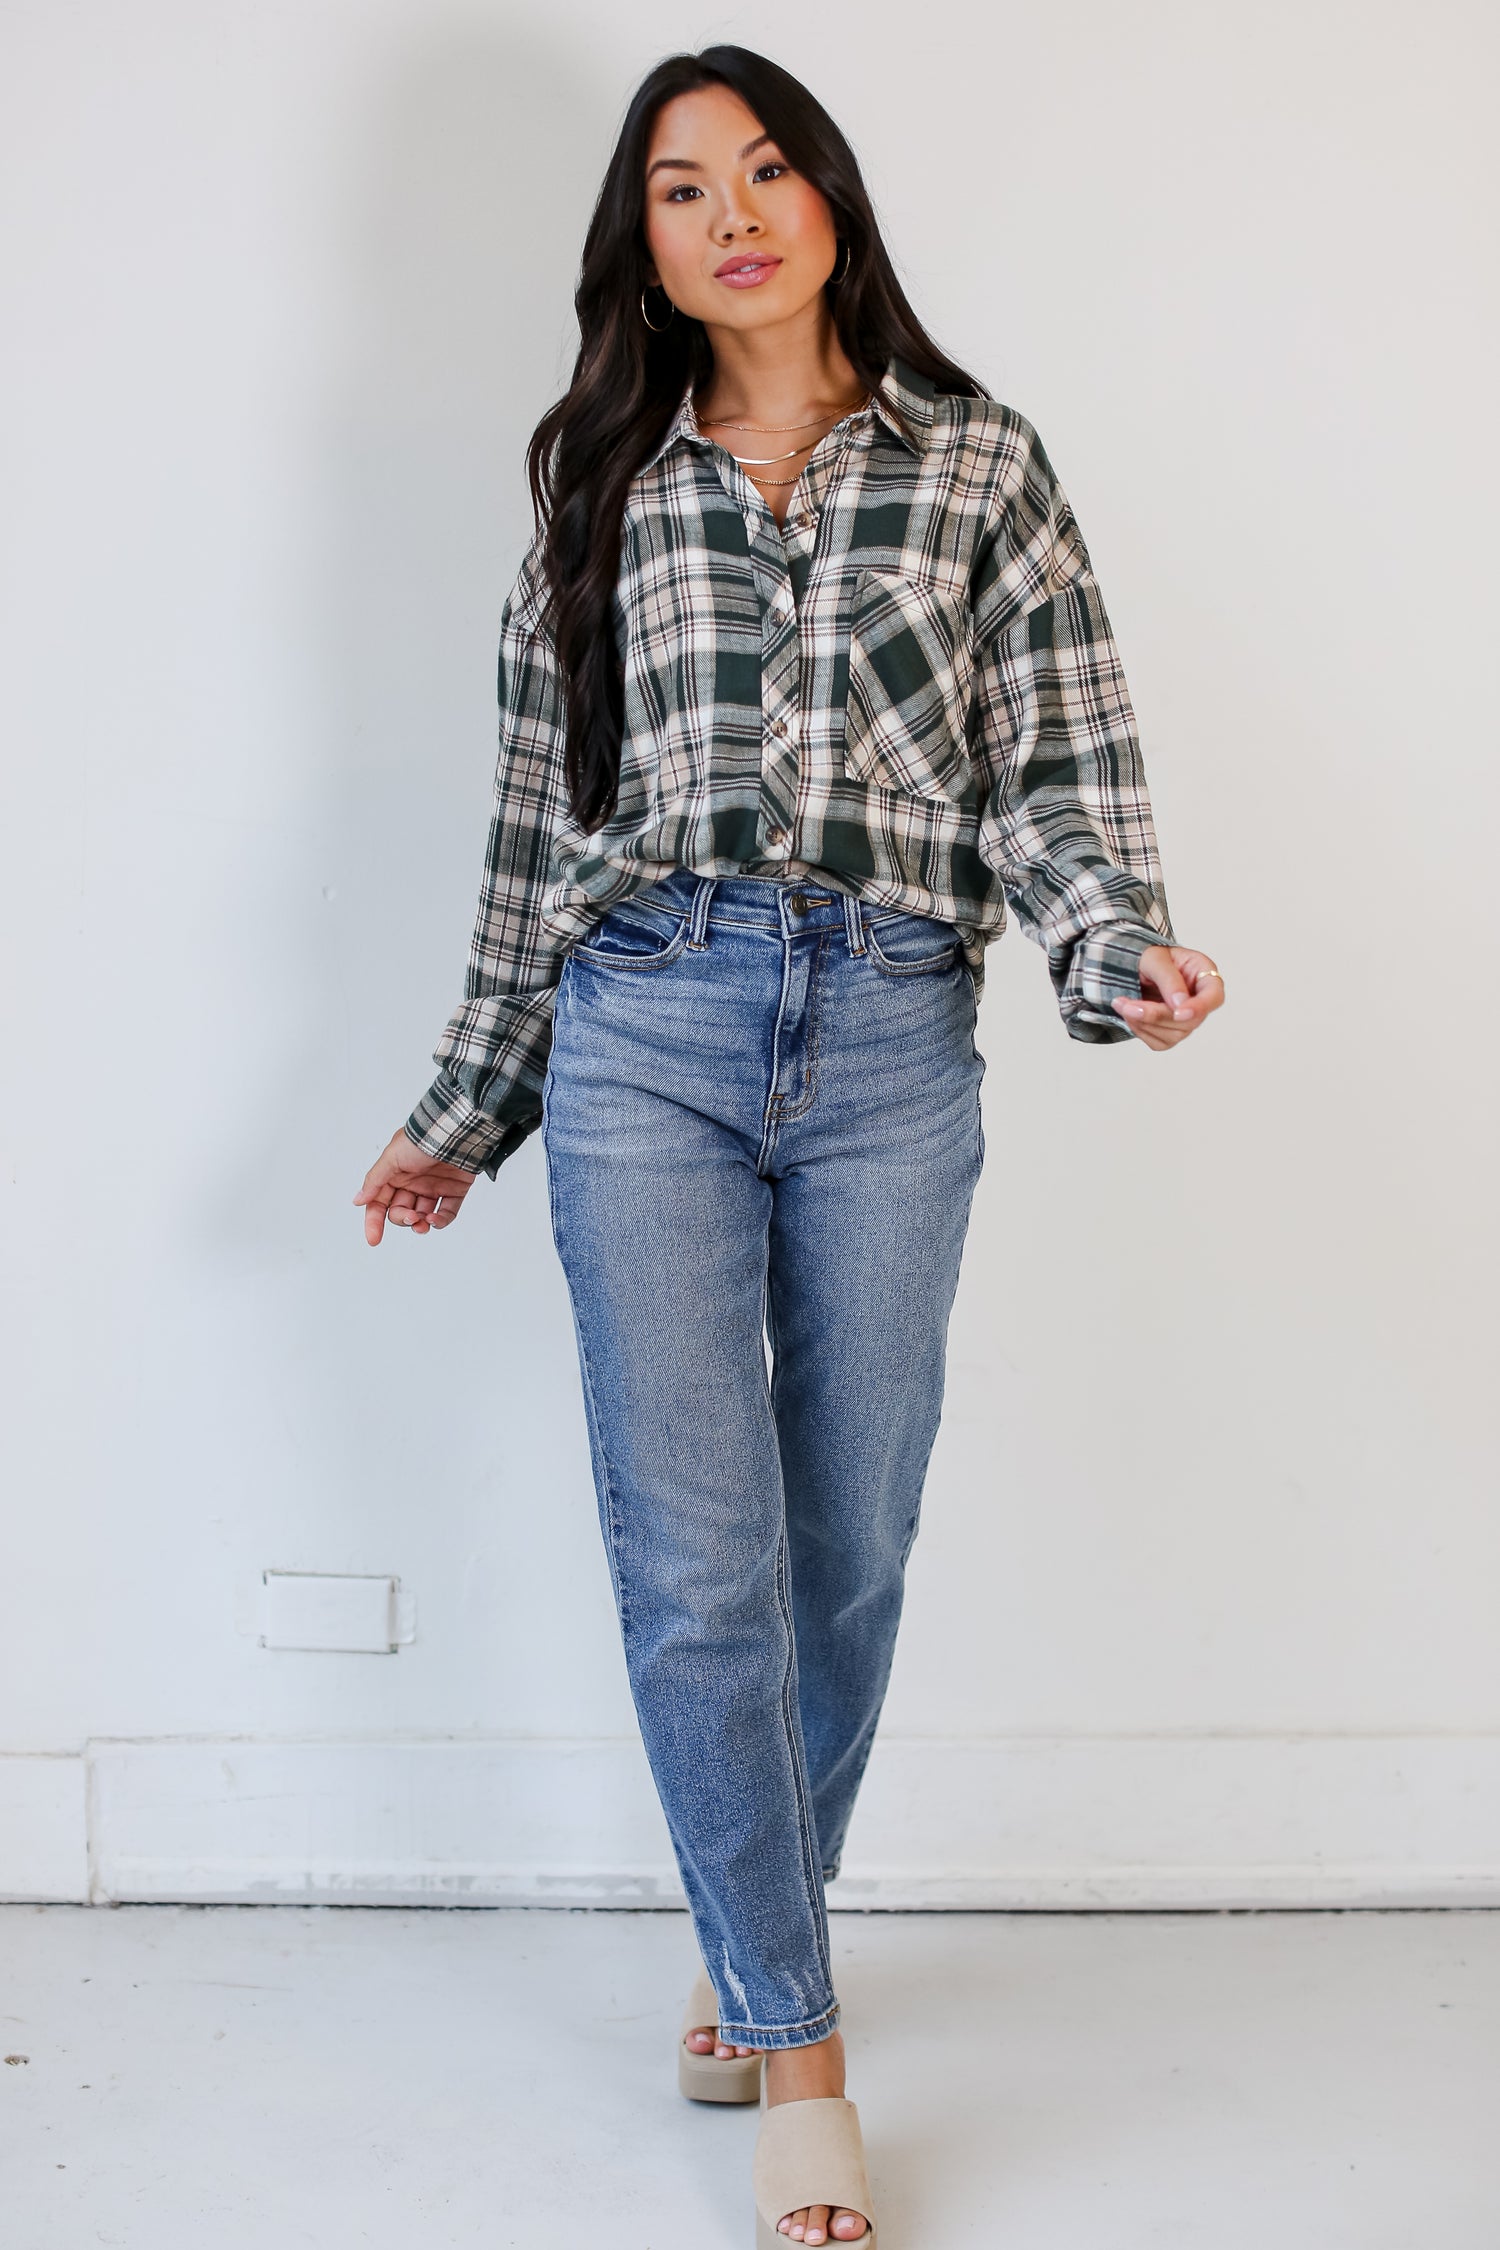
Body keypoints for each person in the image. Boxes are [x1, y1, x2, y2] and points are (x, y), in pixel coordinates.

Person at [354, 43, 1224, 2247]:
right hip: (643, 1023)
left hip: (894, 1032)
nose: (731, 214)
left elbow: (1060, 764)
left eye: (765, 170)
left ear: (832, 198)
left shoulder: (979, 459)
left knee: (845, 1546)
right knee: (697, 1563)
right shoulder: (599, 475)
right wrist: (470, 1102)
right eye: (681, 187)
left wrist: (1116, 946)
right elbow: (538, 824)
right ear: (640, 243)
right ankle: (796, 2042)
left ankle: (759, 1944)